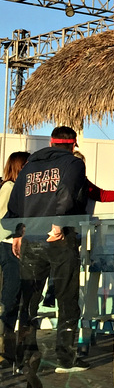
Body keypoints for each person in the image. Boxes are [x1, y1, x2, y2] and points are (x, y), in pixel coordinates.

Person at [4, 126, 89, 373]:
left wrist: (18, 233)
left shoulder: (29, 167)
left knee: (28, 301)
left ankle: (26, 358)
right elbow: (68, 194)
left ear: (51, 143)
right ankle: (66, 359)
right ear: (72, 145)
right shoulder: (73, 164)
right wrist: (58, 224)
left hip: (31, 237)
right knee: (66, 298)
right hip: (59, 238)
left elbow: (15, 204)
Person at [0, 152, 29, 368]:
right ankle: (6, 352)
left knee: (10, 300)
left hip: (9, 246)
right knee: (9, 300)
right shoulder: (9, 189)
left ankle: (7, 352)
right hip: (8, 246)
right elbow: (4, 221)